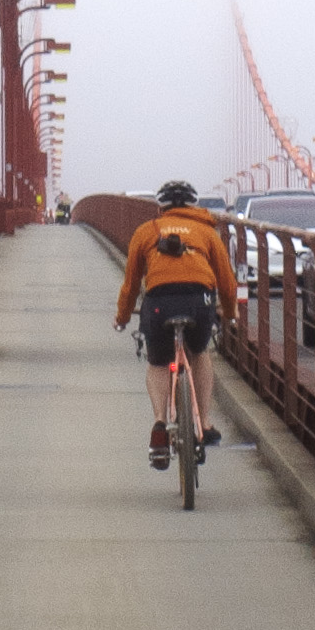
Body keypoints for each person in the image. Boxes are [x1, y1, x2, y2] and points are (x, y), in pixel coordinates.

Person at [116, 180, 236, 466]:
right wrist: (230, 314)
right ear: (195, 206)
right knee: (199, 352)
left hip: (159, 303)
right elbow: (227, 282)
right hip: (199, 302)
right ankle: (203, 423)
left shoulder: (146, 232)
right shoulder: (207, 231)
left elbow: (131, 284)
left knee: (158, 363)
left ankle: (160, 421)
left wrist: (122, 317)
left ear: (161, 208)